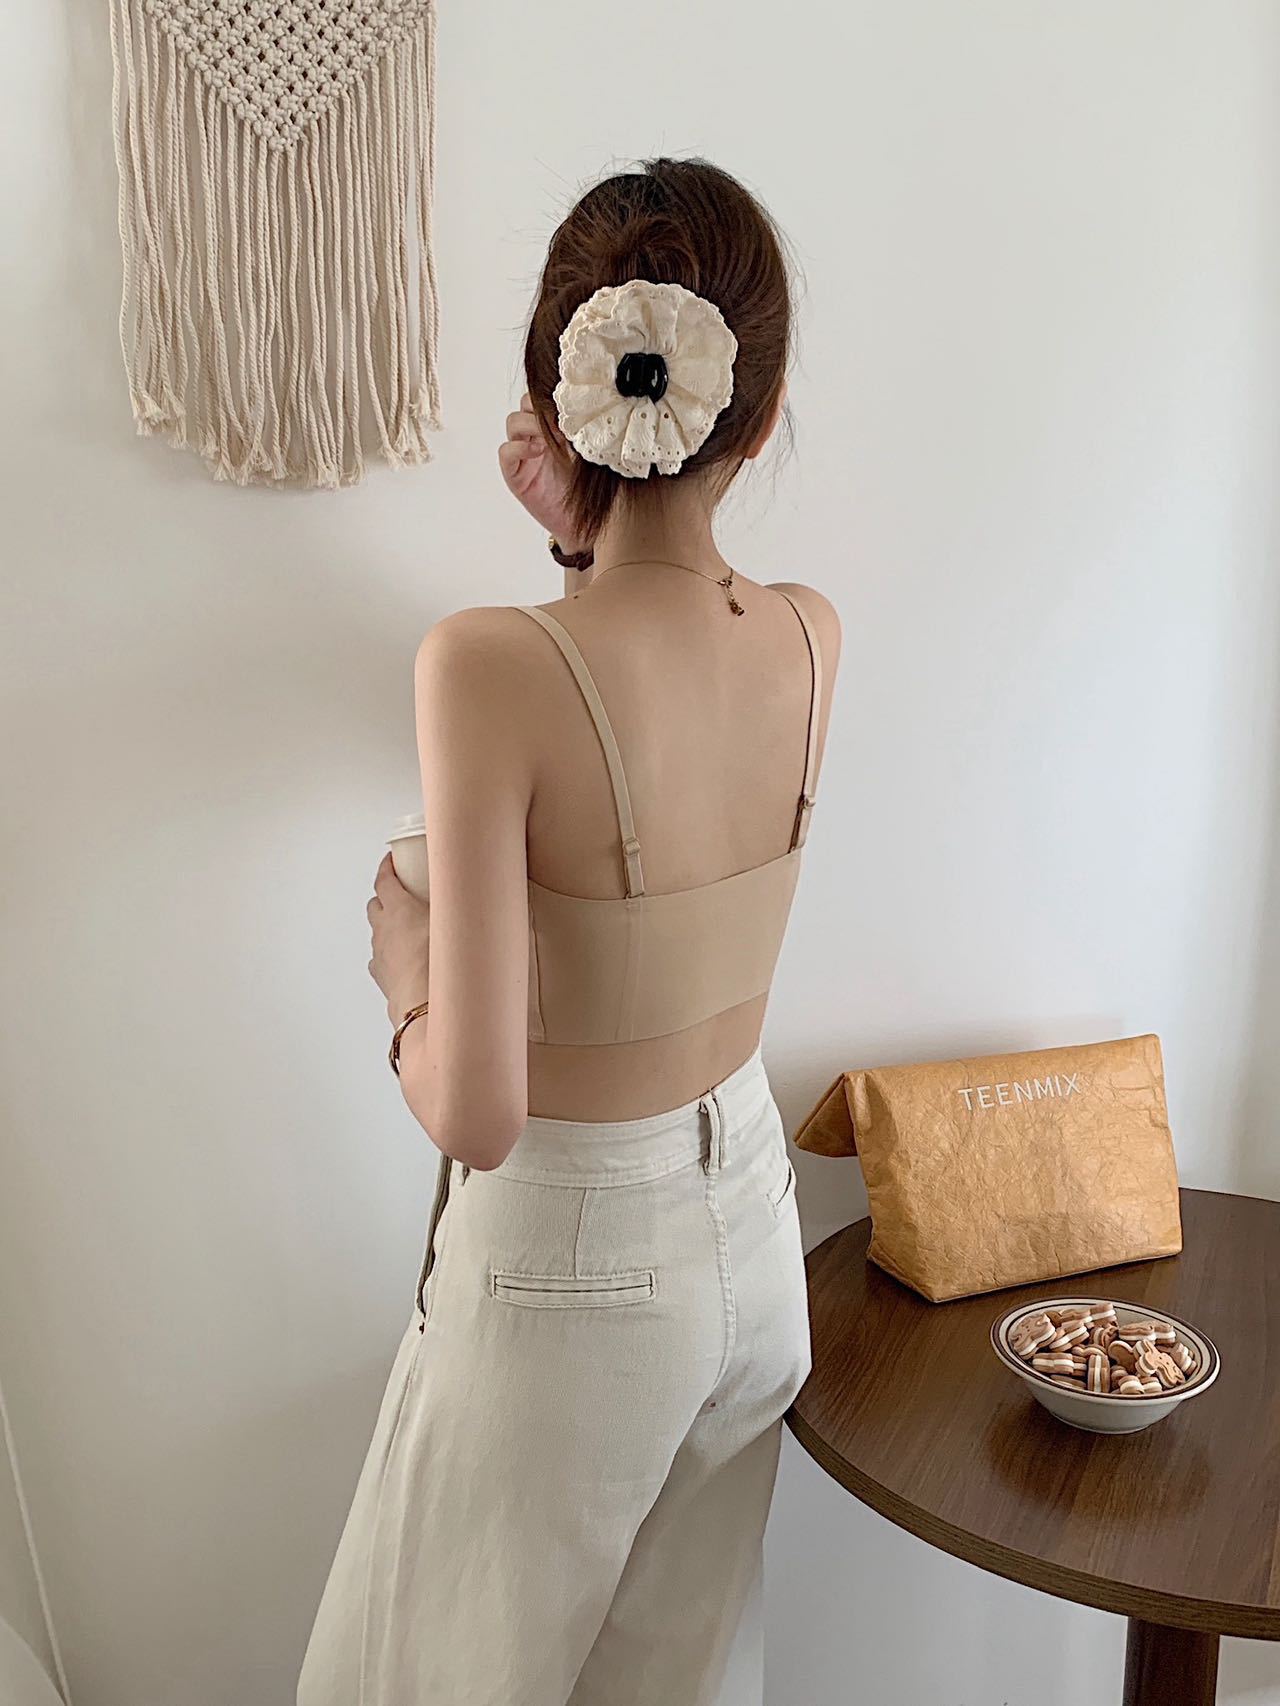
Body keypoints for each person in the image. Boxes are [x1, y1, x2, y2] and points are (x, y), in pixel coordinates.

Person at [297, 156, 841, 1706]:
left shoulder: (484, 666)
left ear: (562, 389)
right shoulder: (813, 635)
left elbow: (478, 1110)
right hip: (752, 1246)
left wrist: (406, 973)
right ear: (760, 406)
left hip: (573, 1279)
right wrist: (590, 532)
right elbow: (655, 666)